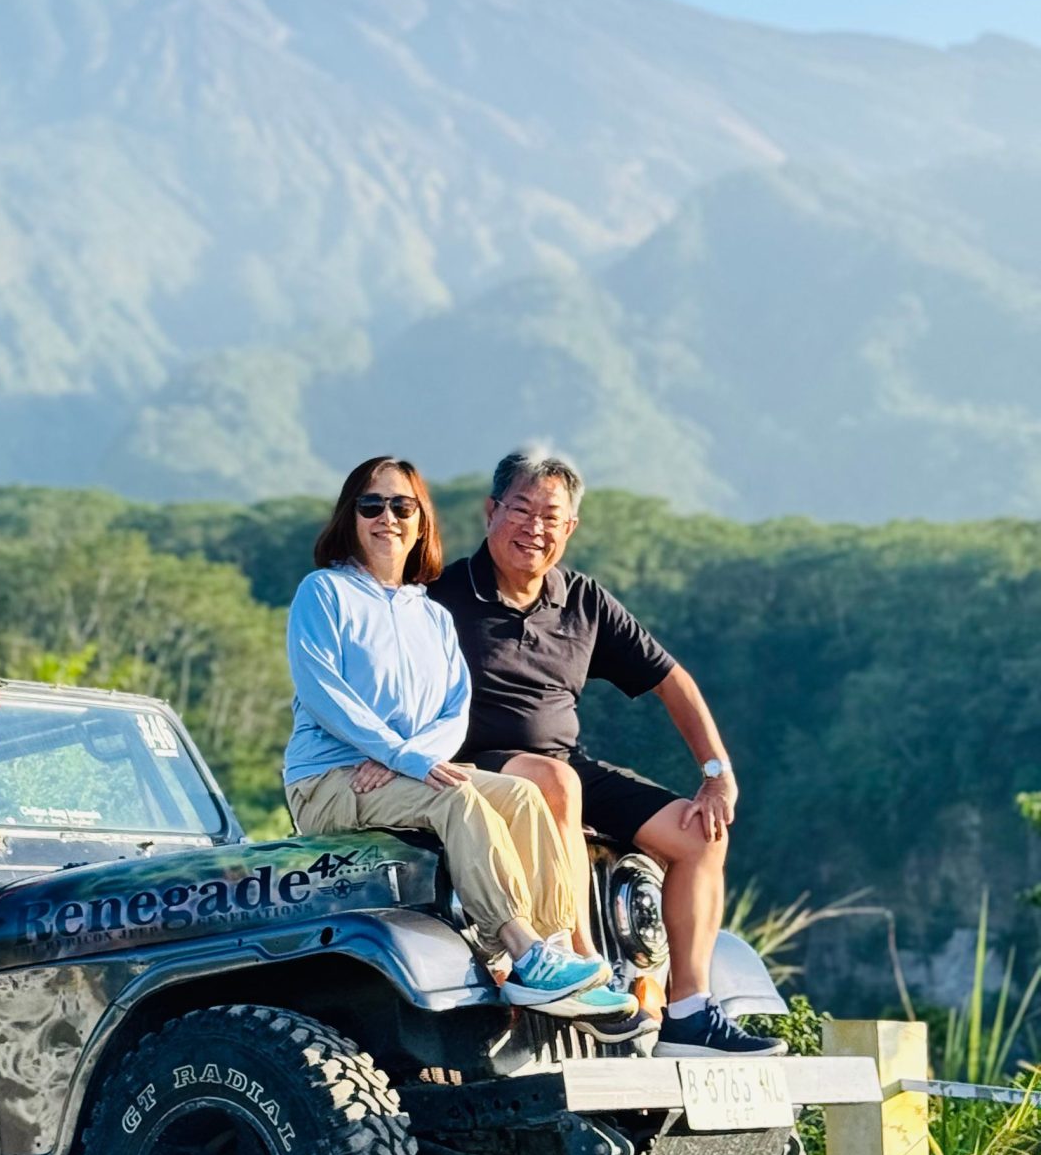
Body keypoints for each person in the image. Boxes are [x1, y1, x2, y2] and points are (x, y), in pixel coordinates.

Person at [431, 449, 782, 1057]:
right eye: (521, 510)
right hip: (470, 764)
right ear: (491, 512)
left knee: (701, 835)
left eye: (551, 517)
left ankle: (689, 1013)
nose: (534, 528)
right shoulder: (440, 595)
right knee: (554, 781)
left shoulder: (582, 600)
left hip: (563, 762)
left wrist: (716, 774)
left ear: (570, 528)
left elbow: (673, 681)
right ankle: (584, 967)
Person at [284, 455, 634, 1017]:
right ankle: (522, 952)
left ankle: (557, 953)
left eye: (403, 506)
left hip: (399, 771)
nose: (387, 518)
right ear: (351, 516)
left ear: (421, 520)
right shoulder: (324, 592)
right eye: (371, 505)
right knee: (458, 797)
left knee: (523, 795)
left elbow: (455, 712)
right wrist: (399, 755)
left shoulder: (432, 616)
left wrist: (408, 759)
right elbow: (325, 695)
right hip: (329, 780)